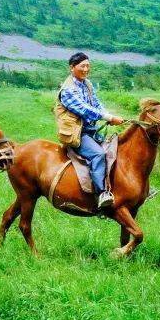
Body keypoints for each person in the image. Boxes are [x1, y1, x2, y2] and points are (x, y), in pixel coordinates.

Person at [57, 52, 125, 209]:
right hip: (78, 134)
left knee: (115, 150)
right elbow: (83, 109)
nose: (86, 69)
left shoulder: (87, 84)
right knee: (98, 154)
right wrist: (108, 117)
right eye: (82, 66)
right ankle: (101, 193)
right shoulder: (68, 89)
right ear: (72, 67)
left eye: (88, 65)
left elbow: (96, 103)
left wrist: (109, 115)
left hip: (91, 130)